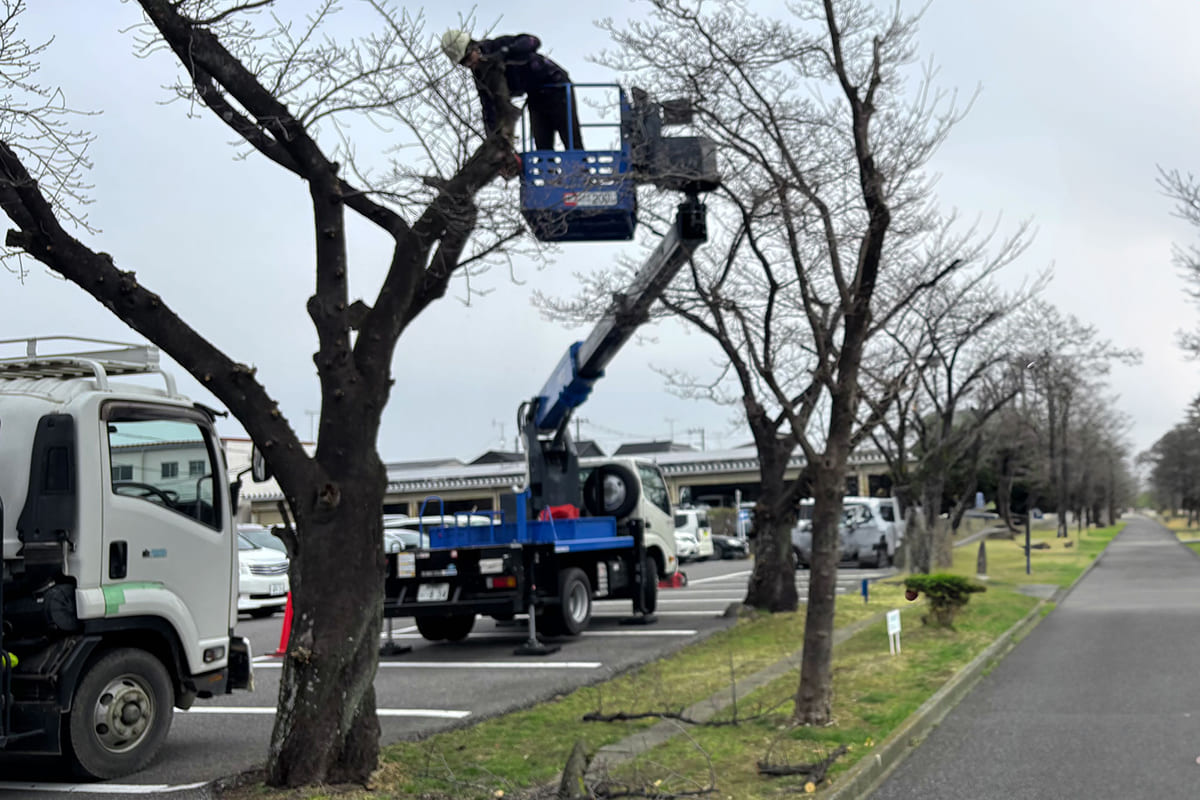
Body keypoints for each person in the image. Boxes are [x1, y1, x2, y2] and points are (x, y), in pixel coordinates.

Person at [441, 30, 584, 151]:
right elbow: (488, 108)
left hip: (557, 87)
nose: (470, 64)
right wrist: (493, 142)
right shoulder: (481, 77)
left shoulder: (498, 45)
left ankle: (582, 175)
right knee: (543, 147)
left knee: (571, 140)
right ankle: (552, 180)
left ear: (474, 47)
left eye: (468, 58)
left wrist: (506, 52)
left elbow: (533, 41)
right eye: (464, 63)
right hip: (535, 96)